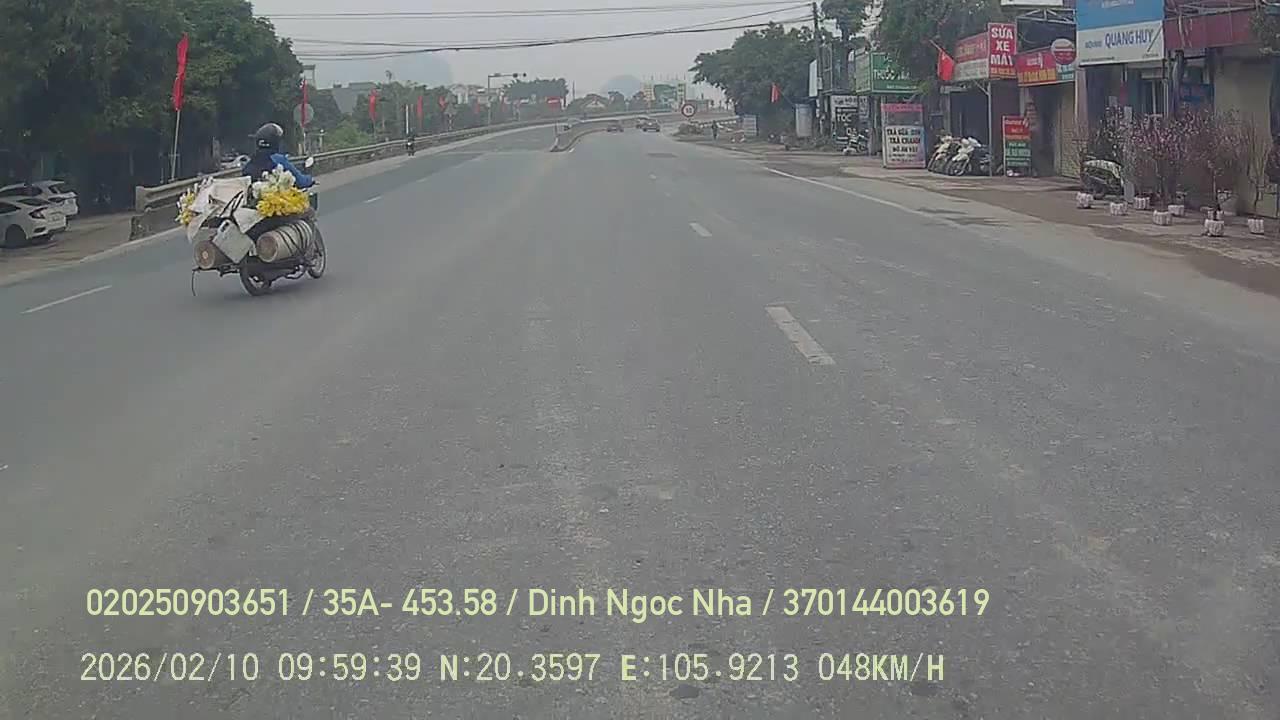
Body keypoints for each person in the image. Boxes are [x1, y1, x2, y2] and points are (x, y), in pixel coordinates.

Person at [242, 123, 315, 189]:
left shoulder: (250, 163)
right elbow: (301, 182)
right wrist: (309, 178)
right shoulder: (278, 160)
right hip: (278, 198)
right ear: (275, 141)